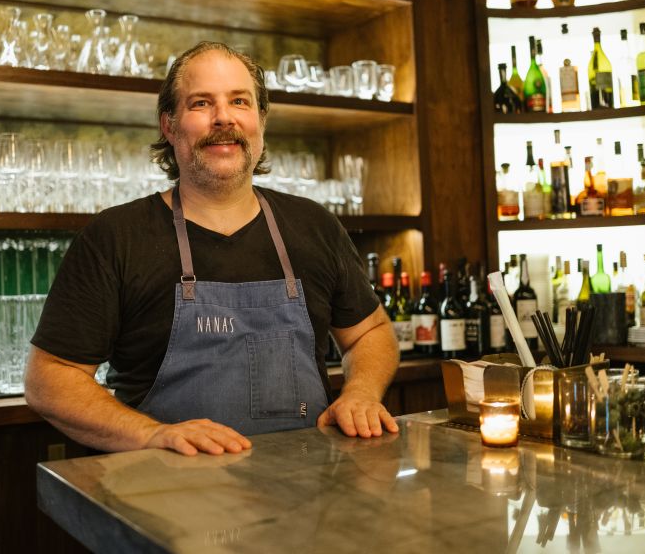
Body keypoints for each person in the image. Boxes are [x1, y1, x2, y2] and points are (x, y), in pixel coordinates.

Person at [24, 41, 400, 456]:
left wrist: (361, 392)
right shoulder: (115, 236)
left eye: (239, 101)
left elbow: (371, 332)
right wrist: (151, 434)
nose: (224, 118)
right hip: (166, 494)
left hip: (304, 491)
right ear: (169, 126)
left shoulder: (314, 225)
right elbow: (50, 379)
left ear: (261, 120)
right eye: (201, 103)